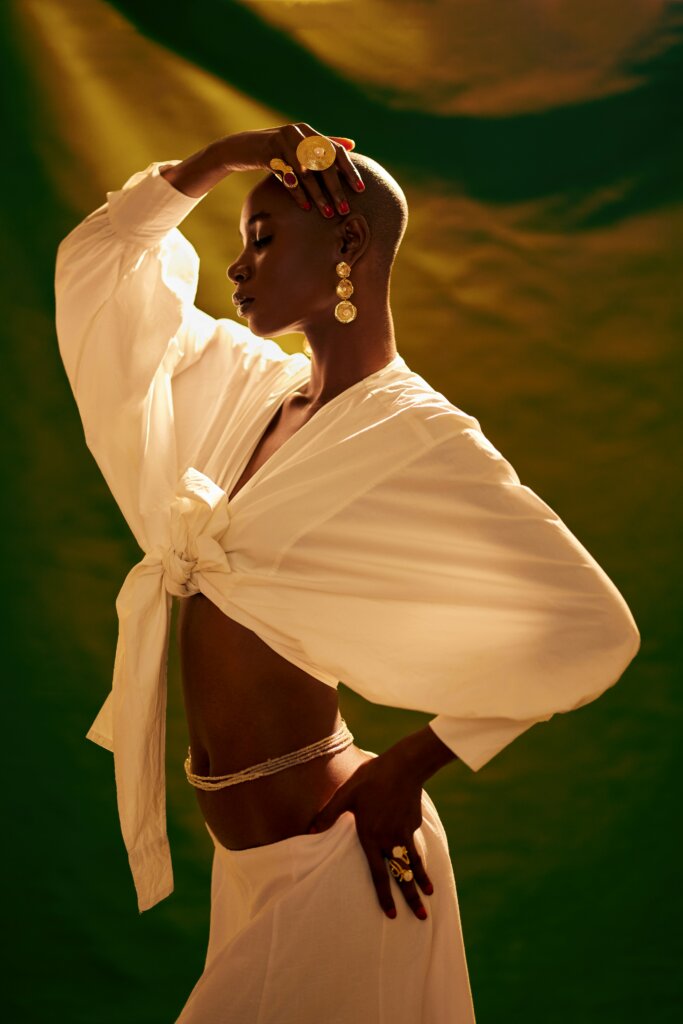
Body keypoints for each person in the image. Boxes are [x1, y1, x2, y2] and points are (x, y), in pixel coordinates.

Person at [54, 123, 640, 1023]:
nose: (237, 269)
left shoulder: (415, 435)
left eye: (262, 238)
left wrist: (410, 762)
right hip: (248, 876)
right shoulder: (249, 389)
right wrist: (215, 162)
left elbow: (597, 630)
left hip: (336, 864)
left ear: (349, 244)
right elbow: (100, 274)